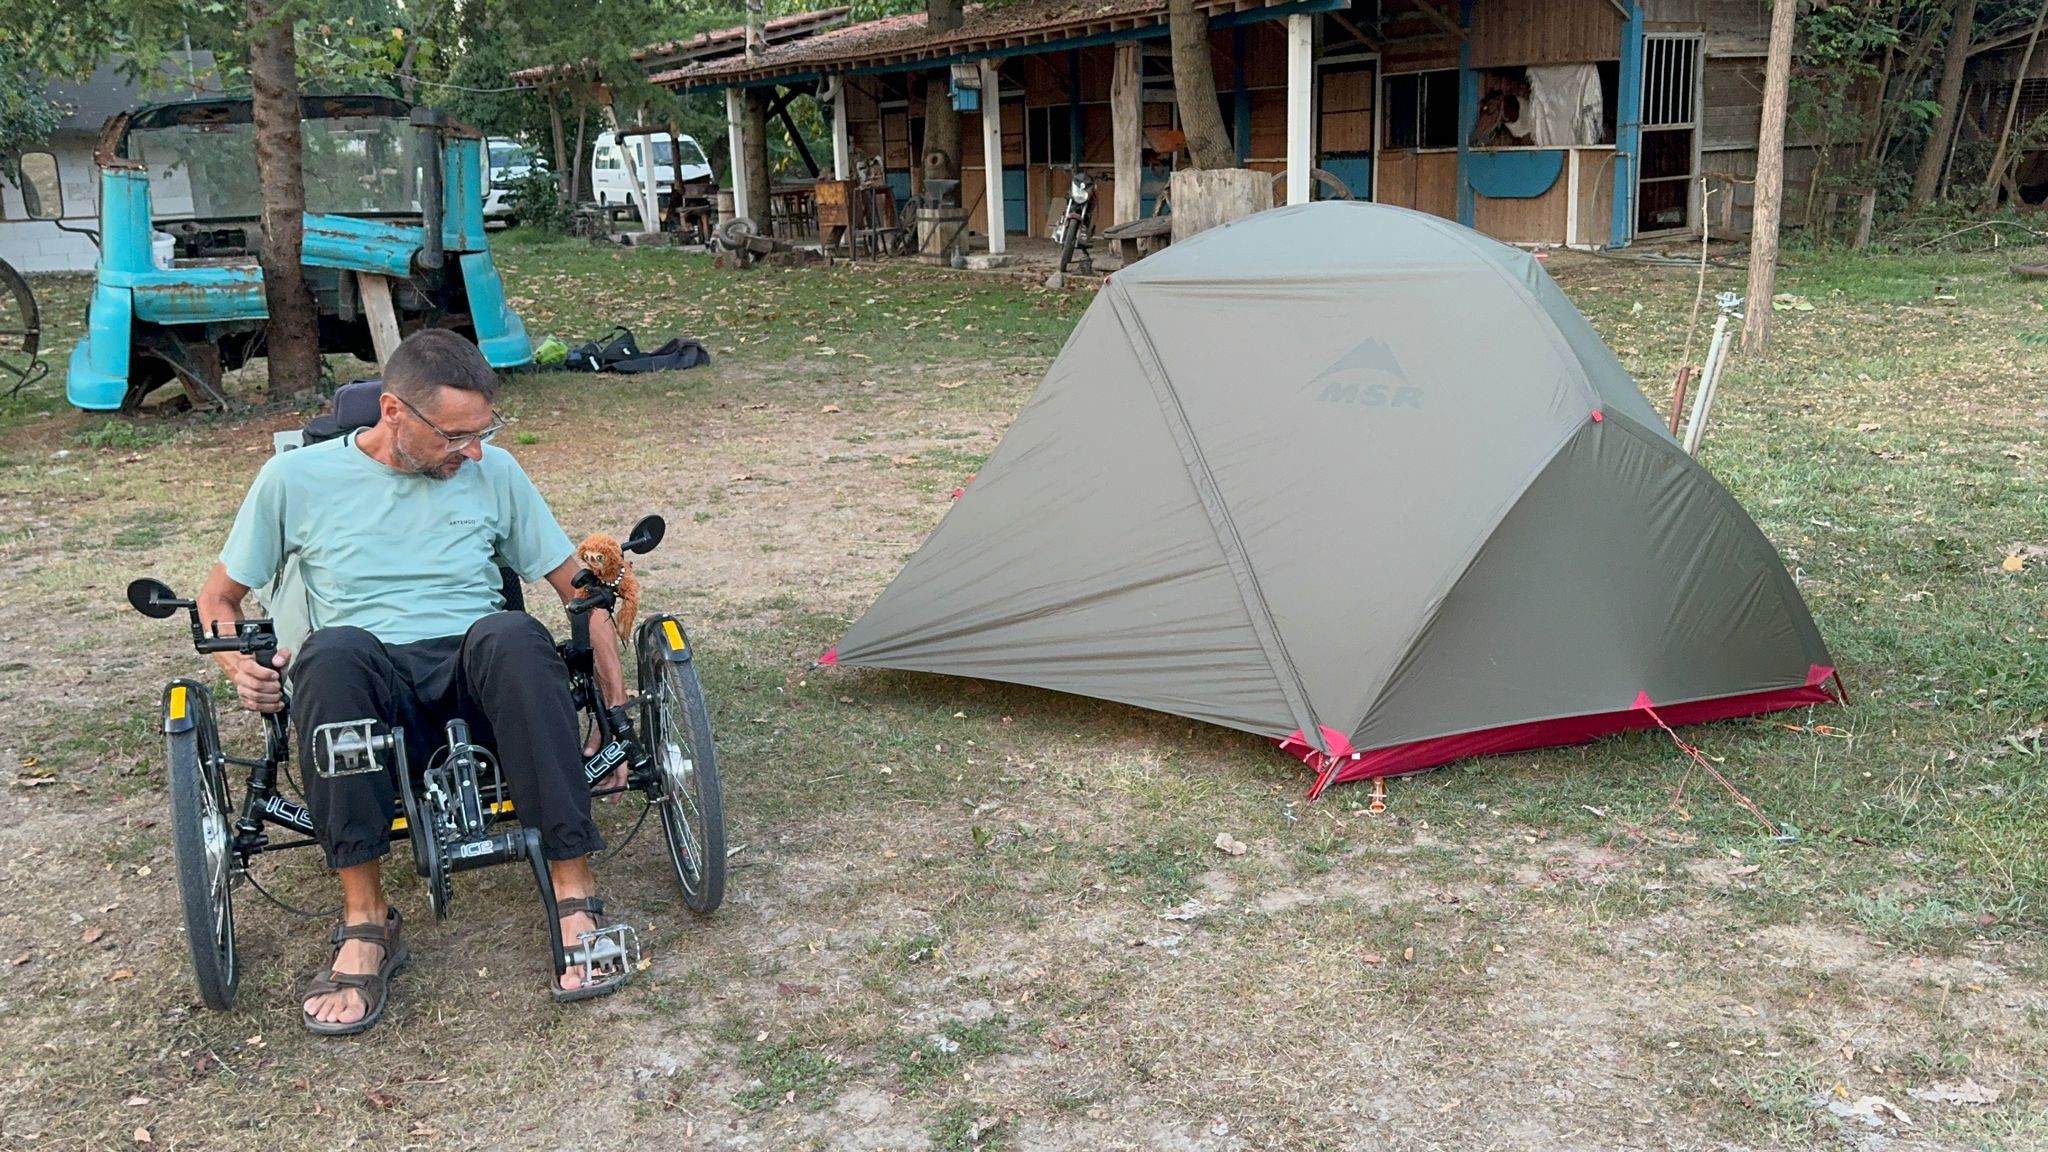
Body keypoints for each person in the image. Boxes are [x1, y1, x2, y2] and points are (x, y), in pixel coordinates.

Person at [198, 329, 629, 1036]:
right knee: (329, 655)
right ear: (393, 411)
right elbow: (219, 601)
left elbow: (577, 594)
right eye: (456, 435)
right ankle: (367, 923)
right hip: (370, 686)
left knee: (515, 635)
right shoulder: (295, 480)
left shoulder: (496, 473)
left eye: (483, 431)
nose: (474, 451)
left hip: (475, 674)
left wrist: (612, 716)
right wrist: (238, 666)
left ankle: (575, 894)